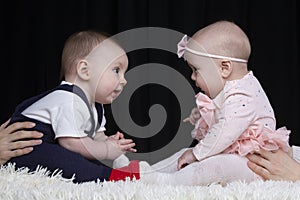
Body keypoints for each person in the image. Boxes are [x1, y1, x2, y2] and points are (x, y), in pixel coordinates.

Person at [139, 20, 291, 186]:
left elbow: (224, 131)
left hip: (254, 163)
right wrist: (203, 116)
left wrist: (196, 154)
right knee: (185, 153)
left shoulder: (243, 94)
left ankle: (167, 182)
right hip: (237, 155)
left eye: (196, 70)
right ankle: (145, 173)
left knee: (215, 166)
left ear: (224, 68)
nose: (192, 77)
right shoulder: (234, 88)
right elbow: (222, 115)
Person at [4, 30, 145, 183]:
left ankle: (118, 171)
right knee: (68, 162)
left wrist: (110, 143)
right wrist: (106, 150)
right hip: (26, 147)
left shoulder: (94, 106)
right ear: (85, 70)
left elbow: (96, 136)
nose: (124, 81)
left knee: (88, 158)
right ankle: (111, 177)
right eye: (116, 70)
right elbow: (71, 142)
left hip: (53, 143)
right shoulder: (68, 99)